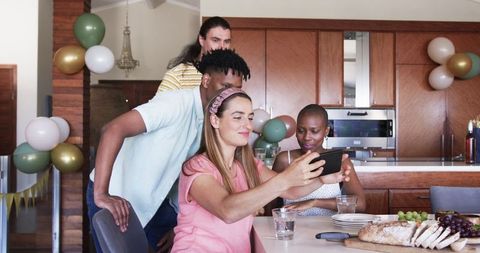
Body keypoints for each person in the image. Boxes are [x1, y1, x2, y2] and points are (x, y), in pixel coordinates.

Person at [86, 49, 251, 253]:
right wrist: (102, 194)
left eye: (237, 89)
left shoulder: (214, 121)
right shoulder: (174, 103)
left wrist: (181, 226)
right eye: (225, 86)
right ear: (206, 80)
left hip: (161, 204)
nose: (230, 94)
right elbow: (112, 129)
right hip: (118, 194)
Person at [171, 88, 352, 252]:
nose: (248, 125)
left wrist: (322, 179)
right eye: (237, 117)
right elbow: (227, 210)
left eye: (250, 117)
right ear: (214, 120)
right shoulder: (196, 167)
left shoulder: (247, 164)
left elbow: (290, 190)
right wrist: (286, 178)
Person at [272, 104, 366, 216]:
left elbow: (360, 204)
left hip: (329, 230)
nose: (307, 137)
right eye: (301, 130)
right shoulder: (284, 159)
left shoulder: (340, 160)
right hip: (294, 229)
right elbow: (270, 202)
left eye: (314, 131)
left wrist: (314, 202)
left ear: (326, 131)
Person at [157, 16, 231, 92]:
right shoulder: (177, 76)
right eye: (215, 40)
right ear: (201, 40)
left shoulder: (232, 74)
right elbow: (159, 104)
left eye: (226, 41)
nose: (222, 47)